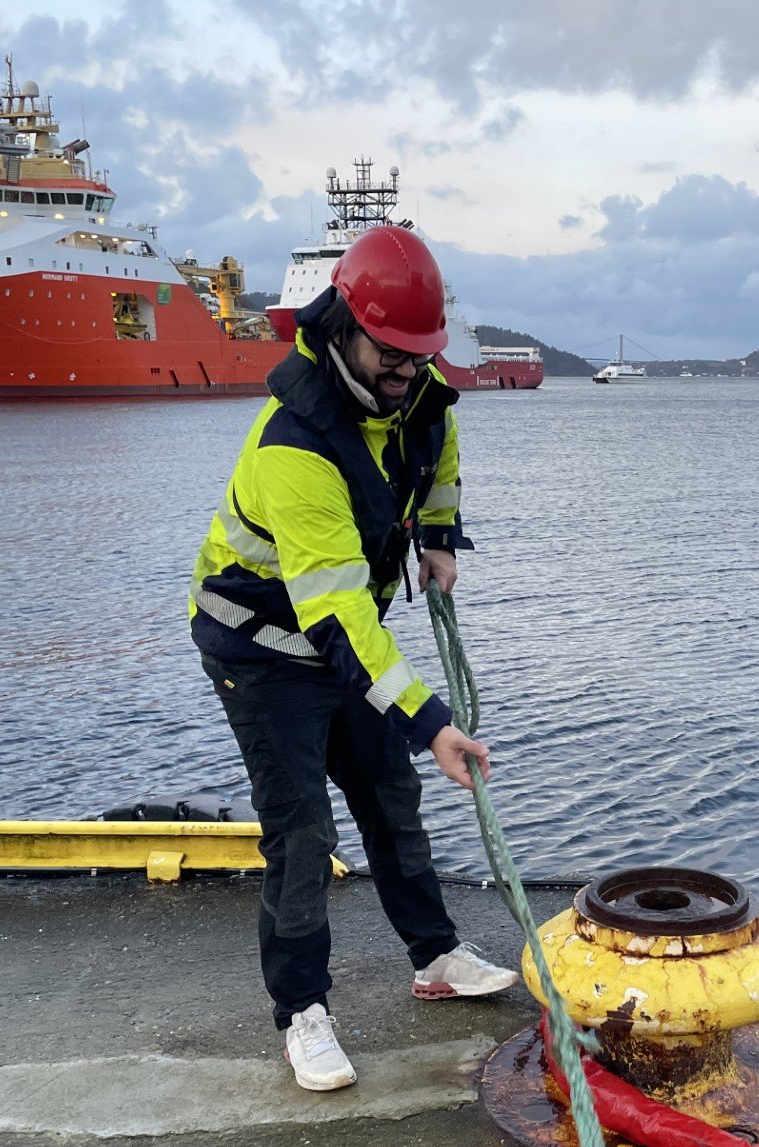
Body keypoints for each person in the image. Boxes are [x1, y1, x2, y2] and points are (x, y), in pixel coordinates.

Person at [189, 224, 518, 1092]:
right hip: (261, 649)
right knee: (302, 832)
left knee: (389, 793)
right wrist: (431, 722)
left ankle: (435, 955)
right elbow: (337, 620)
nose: (409, 372)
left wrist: (439, 536)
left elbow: (439, 444)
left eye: (421, 355)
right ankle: (303, 1012)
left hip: (337, 635)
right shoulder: (292, 450)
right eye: (393, 354)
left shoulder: (415, 382)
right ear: (342, 328)